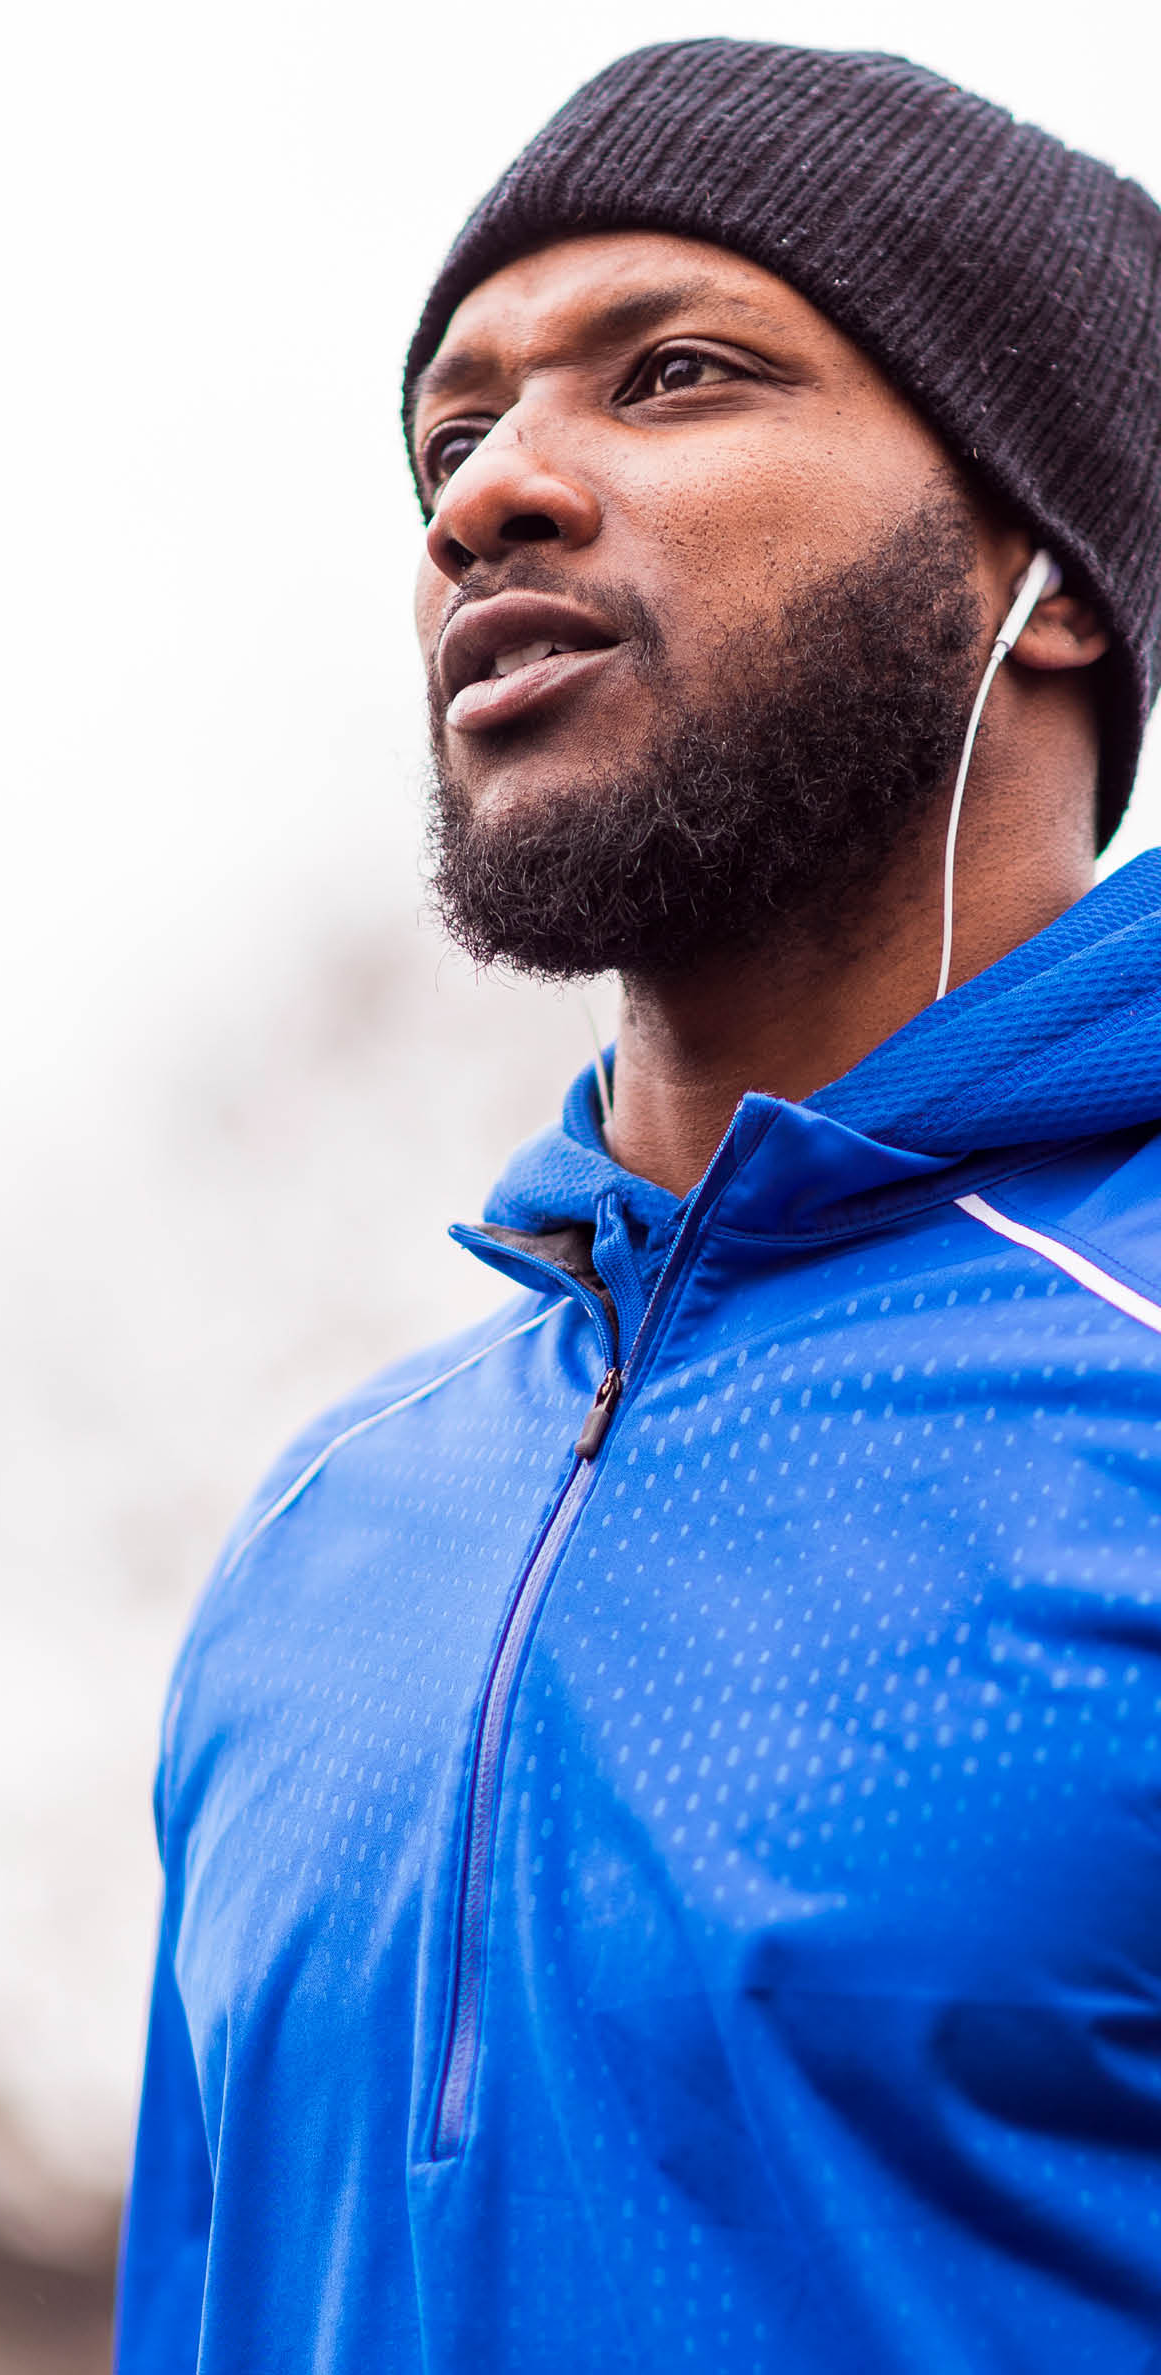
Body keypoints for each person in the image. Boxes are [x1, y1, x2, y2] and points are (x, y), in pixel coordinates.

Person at [115, 39, 1161, 2375]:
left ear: (1044, 573)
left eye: (671, 374)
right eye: (449, 440)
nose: (491, 499)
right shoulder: (321, 1536)